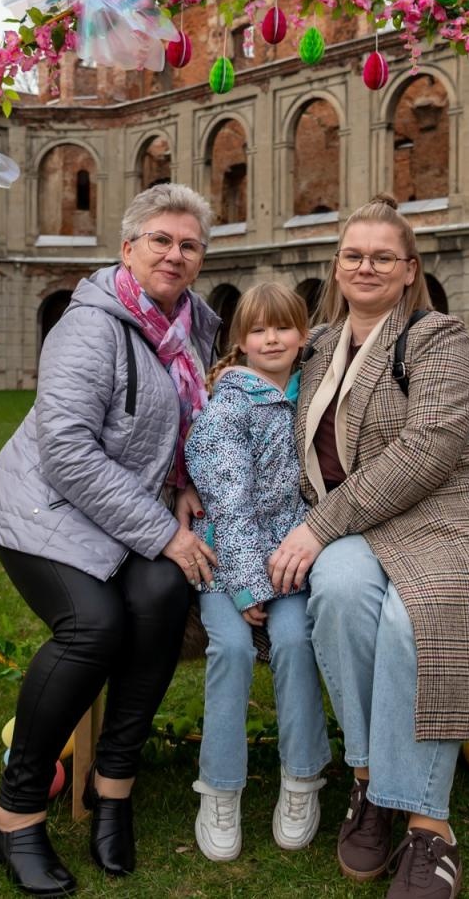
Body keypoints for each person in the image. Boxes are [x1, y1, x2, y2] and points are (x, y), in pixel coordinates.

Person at [0, 183, 221, 897]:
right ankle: (14, 813)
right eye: (161, 240)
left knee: (164, 598)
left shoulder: (194, 323)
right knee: (94, 627)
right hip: (46, 513)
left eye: (190, 244)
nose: (175, 254)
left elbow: (189, 421)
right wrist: (163, 533)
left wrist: (187, 484)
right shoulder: (90, 328)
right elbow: (68, 451)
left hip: (126, 516)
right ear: (128, 248)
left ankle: (113, 789)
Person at [266, 195, 469, 899]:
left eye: (383, 256)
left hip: (444, 513)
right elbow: (251, 407)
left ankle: (428, 825)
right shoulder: (313, 347)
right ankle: (373, 781)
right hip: (354, 525)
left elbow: (430, 447)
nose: (367, 266)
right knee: (342, 596)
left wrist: (318, 527)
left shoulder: (439, 336)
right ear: (337, 266)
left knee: (419, 616)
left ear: (410, 270)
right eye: (354, 254)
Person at [183, 283, 331, 863]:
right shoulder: (230, 406)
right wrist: (246, 583)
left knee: (296, 640)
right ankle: (220, 788)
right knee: (233, 649)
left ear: (304, 336)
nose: (272, 339)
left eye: (285, 328)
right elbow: (230, 501)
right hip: (226, 560)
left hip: (290, 557)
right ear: (241, 341)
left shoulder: (312, 397)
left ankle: (301, 779)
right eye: (259, 330)